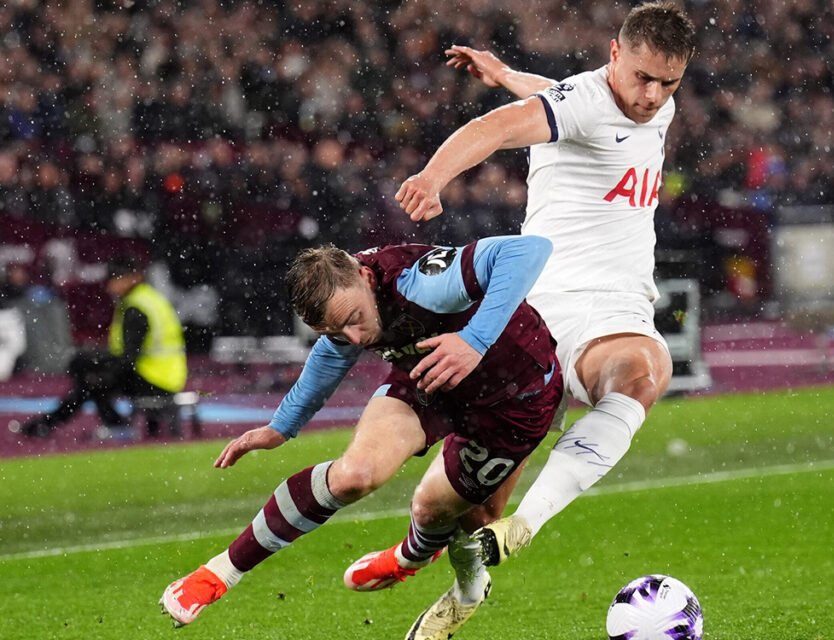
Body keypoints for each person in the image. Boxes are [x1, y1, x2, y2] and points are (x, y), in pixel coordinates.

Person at [382, 3, 698, 638]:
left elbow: (543, 94)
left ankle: (526, 524)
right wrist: (433, 177)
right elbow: (498, 127)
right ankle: (465, 586)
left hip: (615, 309)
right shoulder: (584, 102)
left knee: (642, 374)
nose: (652, 96)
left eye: (668, 83)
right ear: (615, 54)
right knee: (457, 508)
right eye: (642, 78)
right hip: (538, 316)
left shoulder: (648, 104)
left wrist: (503, 73)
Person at [158, 235, 563, 627]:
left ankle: (412, 557)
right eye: (337, 331)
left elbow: (529, 249)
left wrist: (474, 340)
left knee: (451, 515)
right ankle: (219, 573)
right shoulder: (347, 306)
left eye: (353, 320)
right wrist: (281, 426)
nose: (355, 338)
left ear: (366, 278)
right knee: (353, 476)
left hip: (514, 399)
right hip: (429, 379)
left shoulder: (421, 281)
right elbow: (331, 355)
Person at [11, 255, 187, 439]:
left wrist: (98, 369)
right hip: (165, 374)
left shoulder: (136, 307)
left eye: (115, 278)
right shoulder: (148, 299)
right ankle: (49, 424)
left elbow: (128, 358)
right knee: (88, 373)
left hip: (154, 378)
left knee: (90, 380)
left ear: (133, 278)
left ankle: (108, 425)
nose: (110, 285)